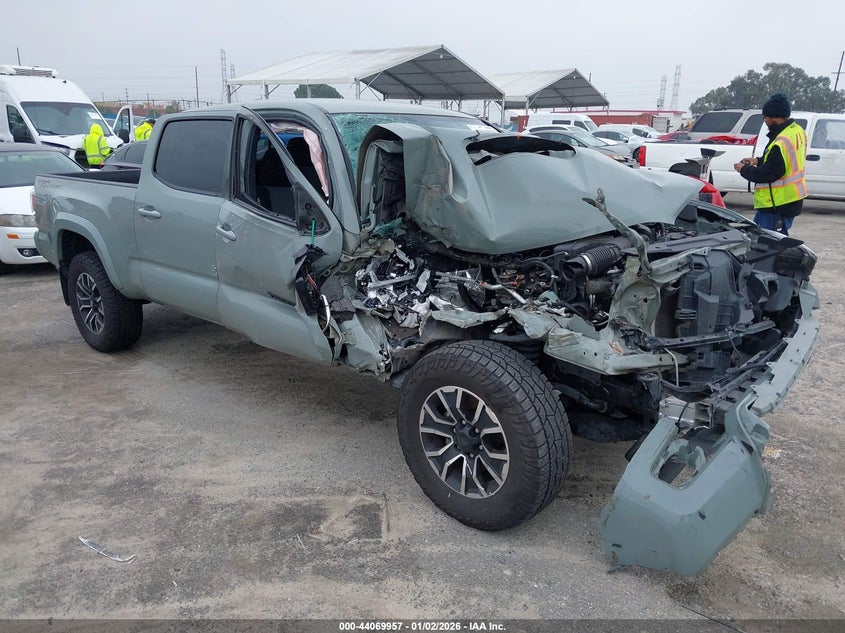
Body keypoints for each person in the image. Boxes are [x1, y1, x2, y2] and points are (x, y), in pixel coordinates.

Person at [734, 93, 807, 235]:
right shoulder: (796, 131)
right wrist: (758, 161)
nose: (765, 121)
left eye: (765, 117)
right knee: (762, 239)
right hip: (789, 199)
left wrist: (744, 169)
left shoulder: (781, 141)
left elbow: (768, 174)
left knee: (770, 247)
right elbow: (783, 160)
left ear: (774, 117)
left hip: (776, 204)